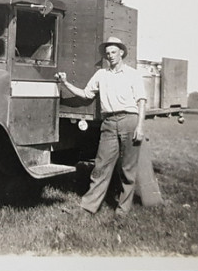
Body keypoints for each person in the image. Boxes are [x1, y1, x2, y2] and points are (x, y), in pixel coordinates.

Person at [56, 36, 147, 218]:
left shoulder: (133, 74)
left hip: (129, 120)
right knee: (100, 167)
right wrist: (65, 83)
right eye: (107, 53)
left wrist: (140, 127)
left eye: (114, 52)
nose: (110, 56)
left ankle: (122, 211)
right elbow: (85, 94)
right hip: (109, 123)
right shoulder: (101, 75)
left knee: (127, 169)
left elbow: (141, 101)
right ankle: (87, 208)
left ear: (121, 53)